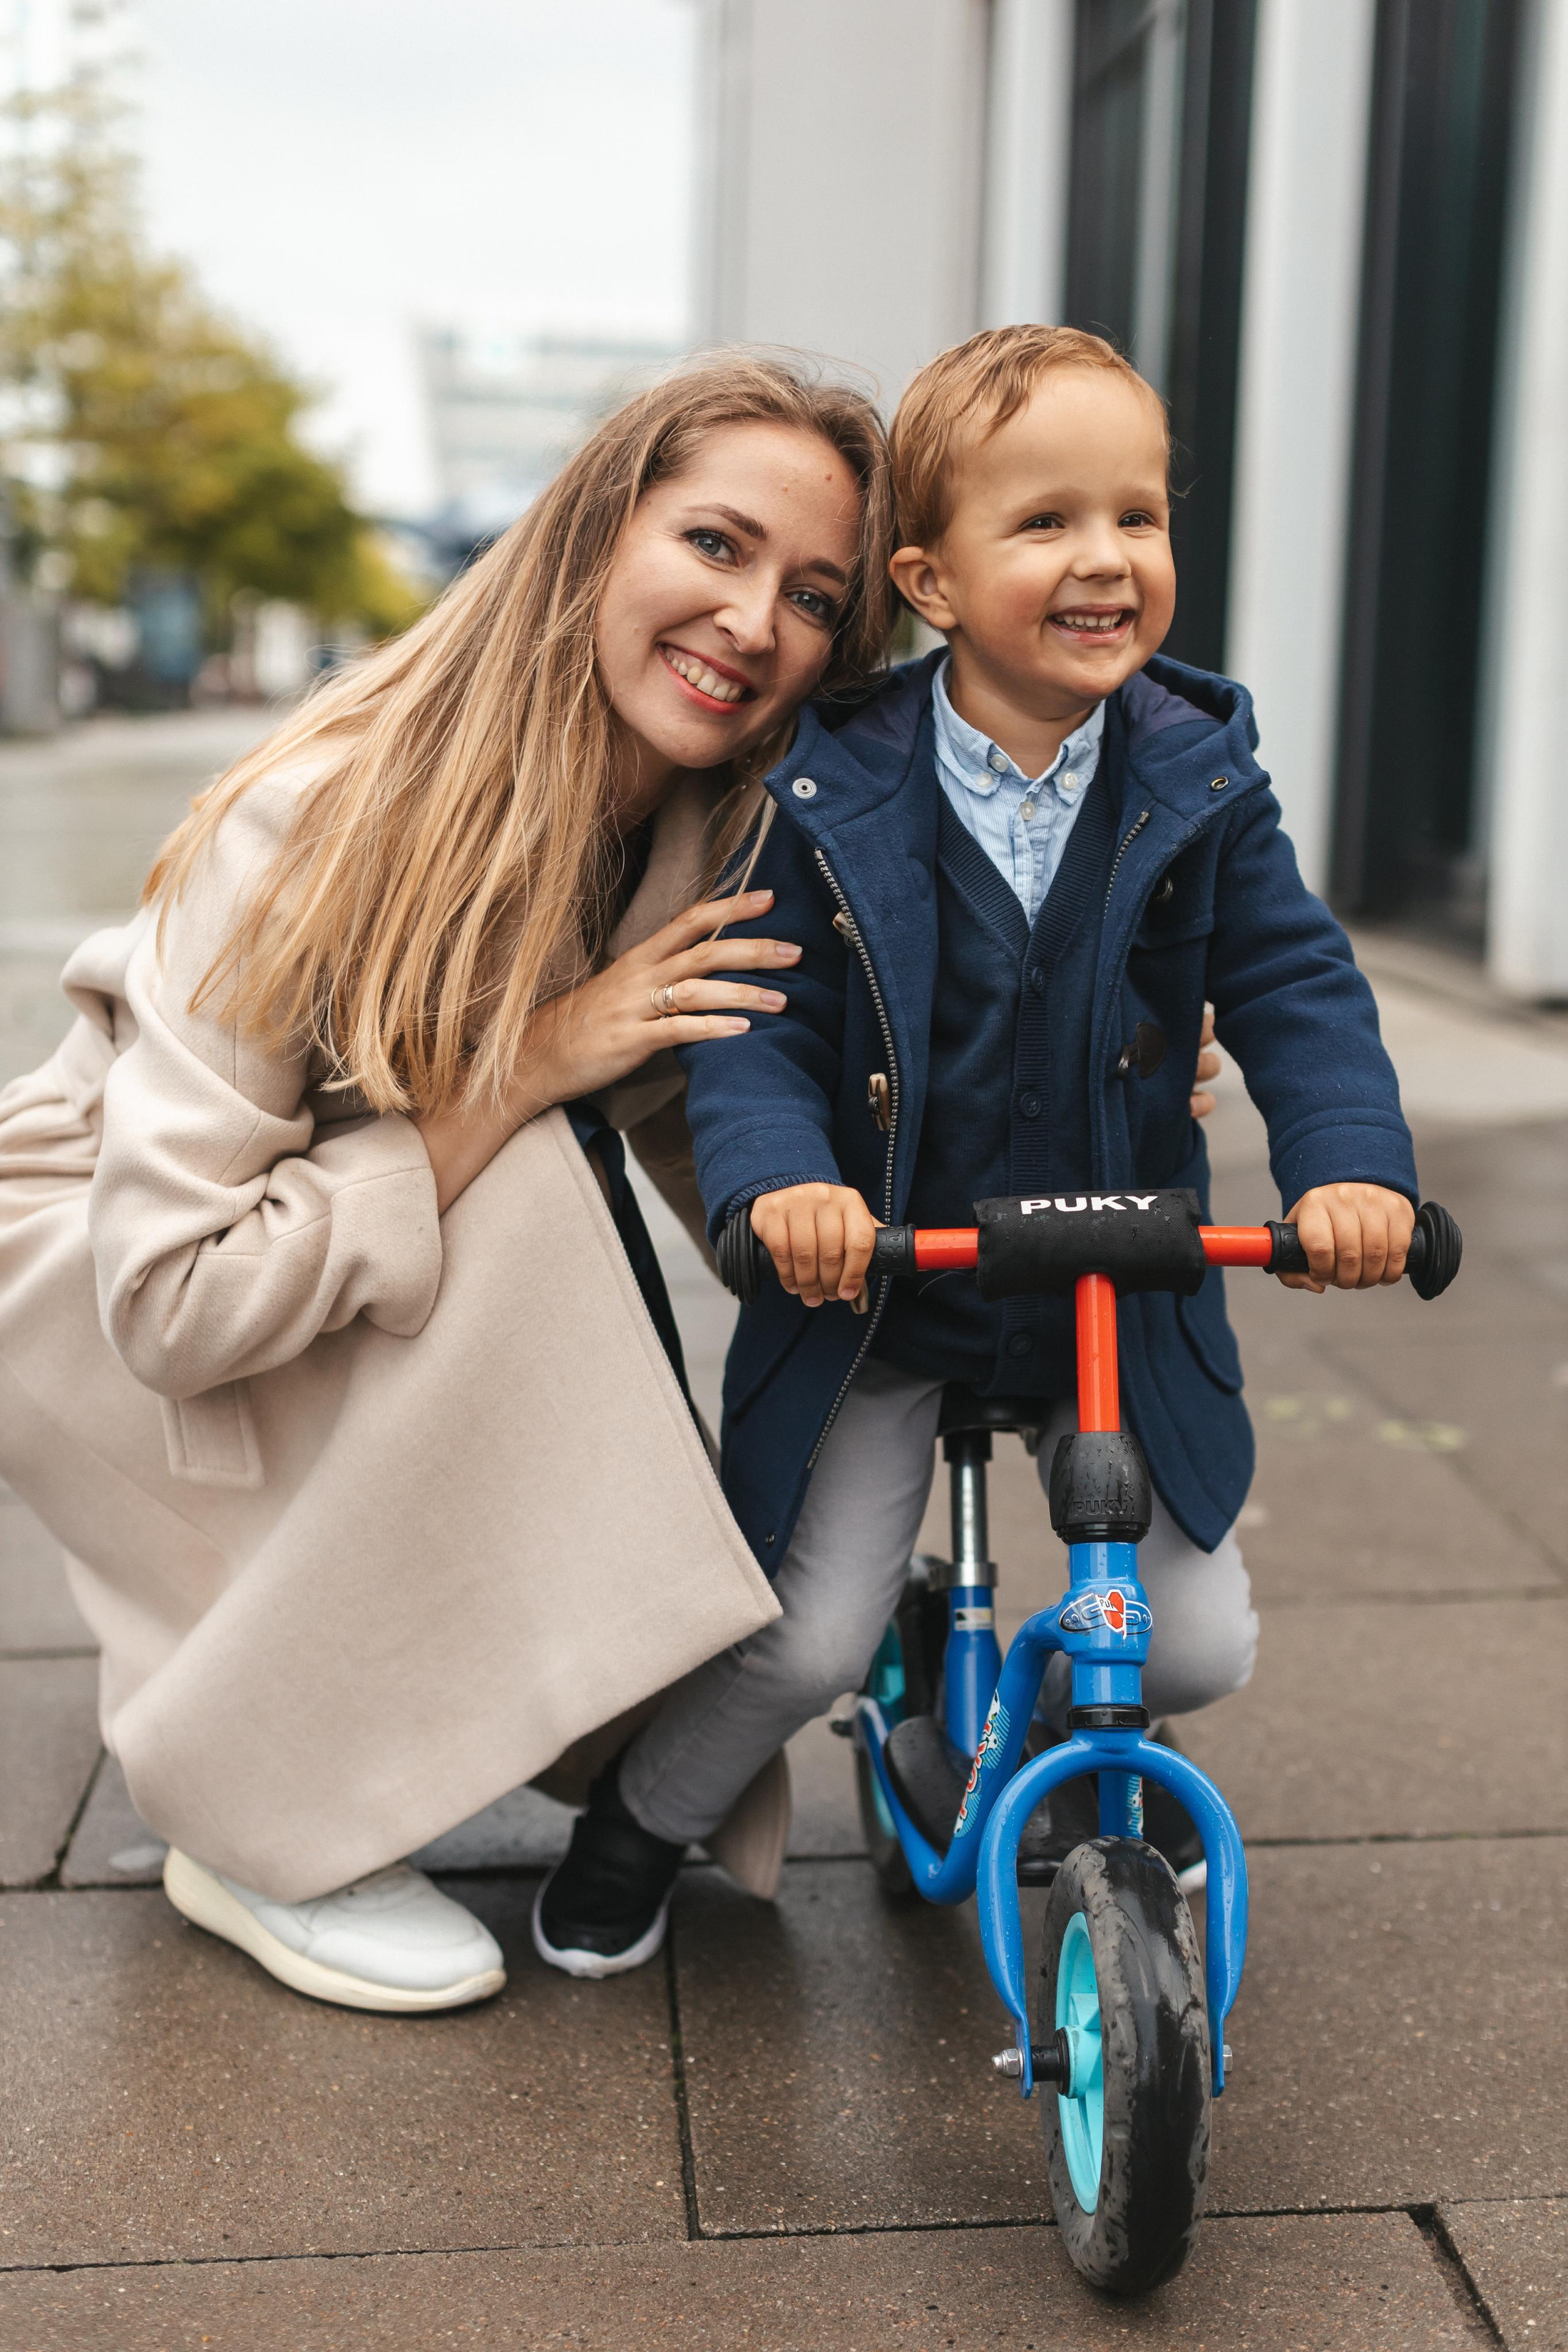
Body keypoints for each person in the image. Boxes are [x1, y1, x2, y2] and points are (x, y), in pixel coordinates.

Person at [0, 352, 899, 2013]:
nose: (755, 620)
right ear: (594, 535)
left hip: (291, 1243)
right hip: (98, 1270)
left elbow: (735, 1159)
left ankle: (376, 1701)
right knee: (531, 1196)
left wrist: (1086, 1093)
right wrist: (535, 1061)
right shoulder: (316, 820)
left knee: (559, 1195)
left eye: (815, 596)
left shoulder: (703, 833)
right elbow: (170, 1301)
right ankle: (257, 1814)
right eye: (715, 543)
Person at [534, 324, 1417, 1978]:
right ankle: (641, 1822)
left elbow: (1295, 982)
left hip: (1113, 1287)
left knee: (1196, 1645)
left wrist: (1349, 1168)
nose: (1107, 558)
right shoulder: (829, 784)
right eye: (1048, 522)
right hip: (885, 1286)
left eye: (1138, 516)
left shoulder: (1200, 773)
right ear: (931, 583)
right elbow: (759, 1022)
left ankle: (1058, 1729)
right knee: (805, 1639)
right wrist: (783, 1188)